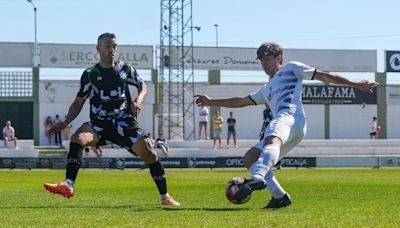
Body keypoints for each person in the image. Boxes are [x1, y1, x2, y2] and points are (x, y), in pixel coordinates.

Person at [194, 42, 377, 209]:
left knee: (271, 139)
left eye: (267, 59)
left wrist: (356, 84)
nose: (264, 64)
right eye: (261, 61)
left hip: (290, 116)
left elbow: (324, 76)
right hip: (290, 125)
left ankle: (257, 178)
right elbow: (241, 101)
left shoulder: (291, 68)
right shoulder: (267, 89)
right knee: (250, 157)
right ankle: (279, 196)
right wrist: (211, 102)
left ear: (279, 58)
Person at [43, 33, 180, 206]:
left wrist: (139, 100)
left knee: (151, 154)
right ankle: (68, 184)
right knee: (77, 138)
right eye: (107, 45)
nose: (112, 49)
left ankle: (165, 197)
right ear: (98, 49)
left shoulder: (125, 69)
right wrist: (66, 121)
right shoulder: (90, 74)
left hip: (123, 122)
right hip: (99, 125)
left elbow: (142, 85)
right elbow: (78, 103)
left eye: (114, 45)